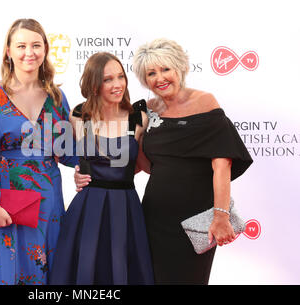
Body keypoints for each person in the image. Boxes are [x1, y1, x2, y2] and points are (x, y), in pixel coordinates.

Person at [76, 38, 253, 284]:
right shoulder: (147, 110)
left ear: (179, 68)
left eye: (165, 69)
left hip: (195, 220)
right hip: (153, 217)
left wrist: (221, 217)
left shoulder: (205, 102)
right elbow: (136, 163)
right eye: (151, 73)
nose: (160, 78)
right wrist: (87, 174)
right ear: (143, 79)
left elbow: (221, 165)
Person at [0, 18, 78, 285]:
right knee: (5, 271)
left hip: (48, 200)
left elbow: (65, 152)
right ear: (8, 51)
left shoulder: (57, 97)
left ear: (45, 49)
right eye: (21, 46)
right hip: (5, 199)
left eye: (35, 45)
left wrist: (86, 167)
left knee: (47, 273)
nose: (29, 53)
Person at [49, 52, 154, 285]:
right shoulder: (78, 116)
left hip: (126, 207)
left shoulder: (139, 118)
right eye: (108, 79)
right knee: (85, 273)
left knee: (122, 271)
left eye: (120, 77)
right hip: (87, 207)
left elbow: (140, 165)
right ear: (94, 84)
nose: (117, 84)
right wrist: (78, 171)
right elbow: (66, 154)